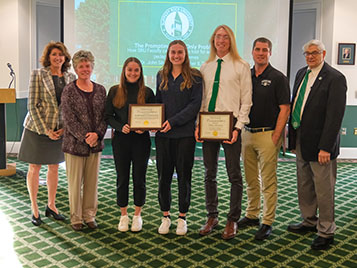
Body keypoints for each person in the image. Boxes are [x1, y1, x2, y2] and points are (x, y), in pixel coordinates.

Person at [287, 40, 347, 250]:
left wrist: (326, 148)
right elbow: (297, 103)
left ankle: (326, 231)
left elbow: (335, 117)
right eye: (307, 53)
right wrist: (293, 139)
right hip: (302, 138)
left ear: (323, 53)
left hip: (322, 144)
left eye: (314, 53)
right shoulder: (301, 73)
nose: (310, 56)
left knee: (323, 188)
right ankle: (309, 221)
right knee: (304, 184)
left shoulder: (335, 78)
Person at [197, 25, 252, 240]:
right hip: (209, 125)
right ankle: (212, 216)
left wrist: (238, 127)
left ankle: (232, 219)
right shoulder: (206, 66)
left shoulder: (241, 65)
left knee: (233, 174)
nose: (221, 40)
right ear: (213, 40)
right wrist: (198, 125)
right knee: (209, 174)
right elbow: (202, 99)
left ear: (231, 41)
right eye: (217, 37)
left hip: (231, 127)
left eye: (225, 37)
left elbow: (246, 100)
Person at [18, 41, 75, 226]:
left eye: (60, 54)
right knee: (34, 168)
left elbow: (71, 106)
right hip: (37, 129)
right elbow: (32, 105)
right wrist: (46, 130)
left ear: (65, 57)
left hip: (59, 130)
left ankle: (51, 205)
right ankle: (34, 209)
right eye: (54, 54)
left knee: (54, 167)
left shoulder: (70, 77)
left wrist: (65, 128)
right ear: (48, 57)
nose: (57, 57)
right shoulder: (38, 75)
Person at [239, 37, 290, 240]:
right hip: (247, 134)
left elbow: (284, 108)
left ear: (270, 53)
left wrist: (277, 135)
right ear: (252, 52)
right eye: (257, 49)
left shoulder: (278, 77)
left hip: (268, 135)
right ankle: (252, 214)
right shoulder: (246, 76)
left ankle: (267, 221)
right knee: (251, 179)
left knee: (268, 181)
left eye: (265, 50)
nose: (261, 53)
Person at [156, 40, 202, 236]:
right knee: (163, 177)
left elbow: (194, 106)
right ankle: (165, 216)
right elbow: (158, 103)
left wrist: (172, 122)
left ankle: (182, 217)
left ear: (186, 54)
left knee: (184, 177)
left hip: (185, 135)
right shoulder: (161, 75)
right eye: (173, 52)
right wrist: (152, 122)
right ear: (168, 54)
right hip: (163, 136)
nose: (176, 56)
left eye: (180, 52)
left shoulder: (195, 76)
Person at [105, 57, 155, 232]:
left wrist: (145, 127)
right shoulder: (114, 91)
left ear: (140, 73)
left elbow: (155, 116)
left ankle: (137, 215)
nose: (133, 73)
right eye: (130, 70)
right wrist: (120, 126)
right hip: (121, 141)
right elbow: (108, 116)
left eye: (136, 70)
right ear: (124, 72)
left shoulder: (147, 92)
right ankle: (123, 215)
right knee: (122, 178)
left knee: (139, 178)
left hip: (142, 141)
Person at [61, 50, 107, 231]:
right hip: (74, 146)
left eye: (88, 66)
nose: (85, 69)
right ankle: (76, 218)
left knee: (91, 183)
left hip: (95, 146)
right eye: (81, 66)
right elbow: (69, 118)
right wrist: (85, 137)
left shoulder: (101, 90)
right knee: (75, 184)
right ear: (75, 68)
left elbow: (105, 116)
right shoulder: (69, 91)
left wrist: (97, 135)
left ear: (92, 67)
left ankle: (89, 215)